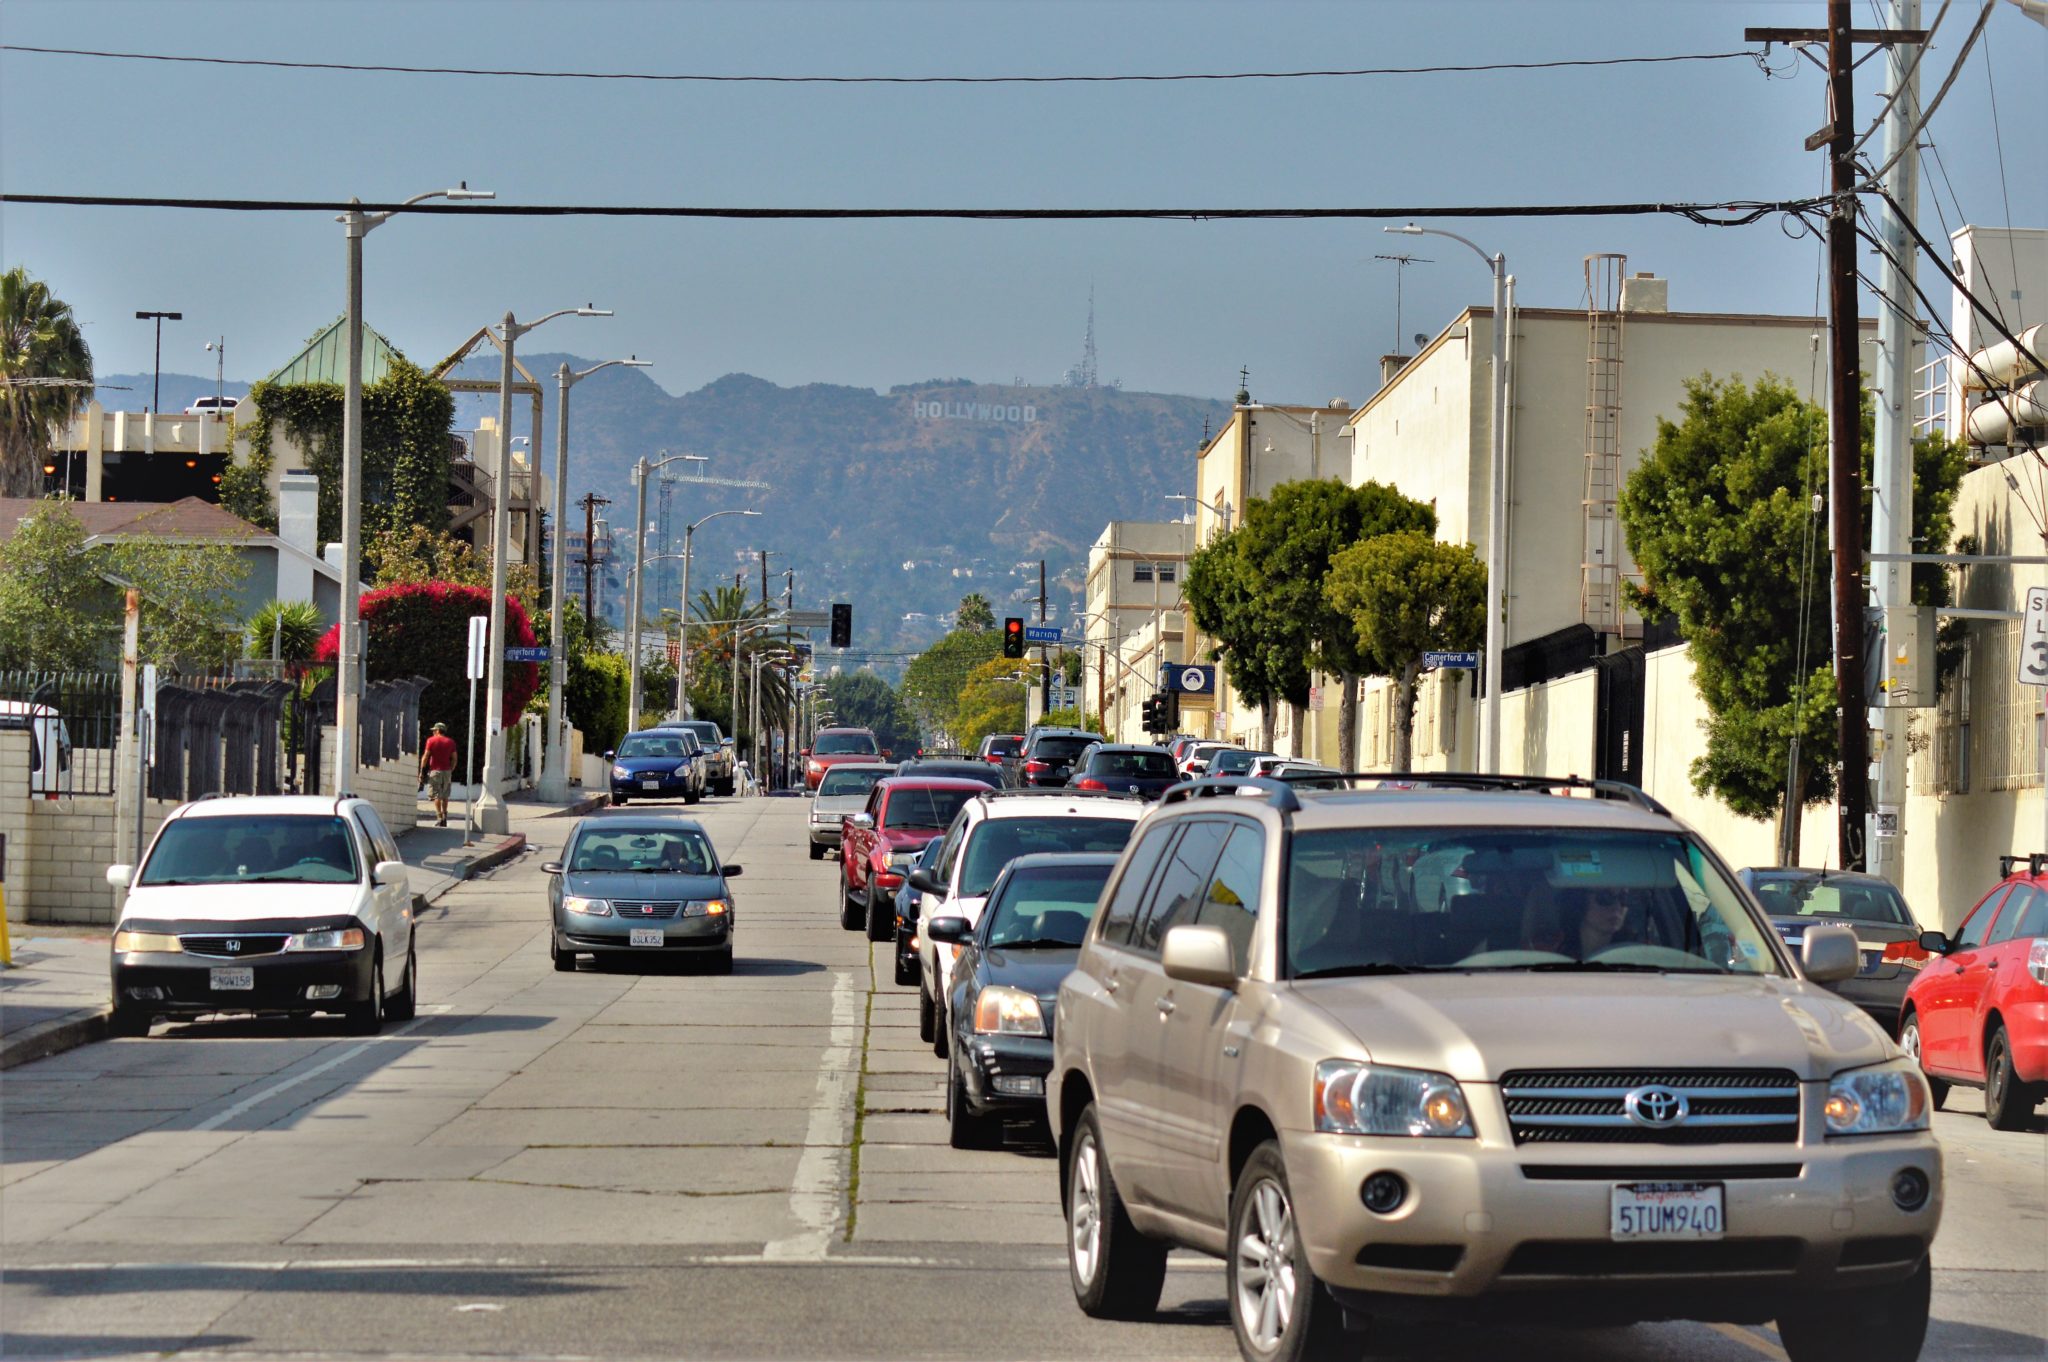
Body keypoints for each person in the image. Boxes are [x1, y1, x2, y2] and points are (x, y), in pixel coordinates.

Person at [420, 721, 459, 827]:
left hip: (435, 771)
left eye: (434, 730)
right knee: (445, 795)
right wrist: (451, 769)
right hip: (447, 771)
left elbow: (426, 756)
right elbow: (454, 758)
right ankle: (445, 816)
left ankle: (439, 817)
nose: (433, 732)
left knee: (437, 795)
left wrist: (421, 771)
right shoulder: (450, 742)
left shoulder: (431, 741)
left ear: (437, 730)